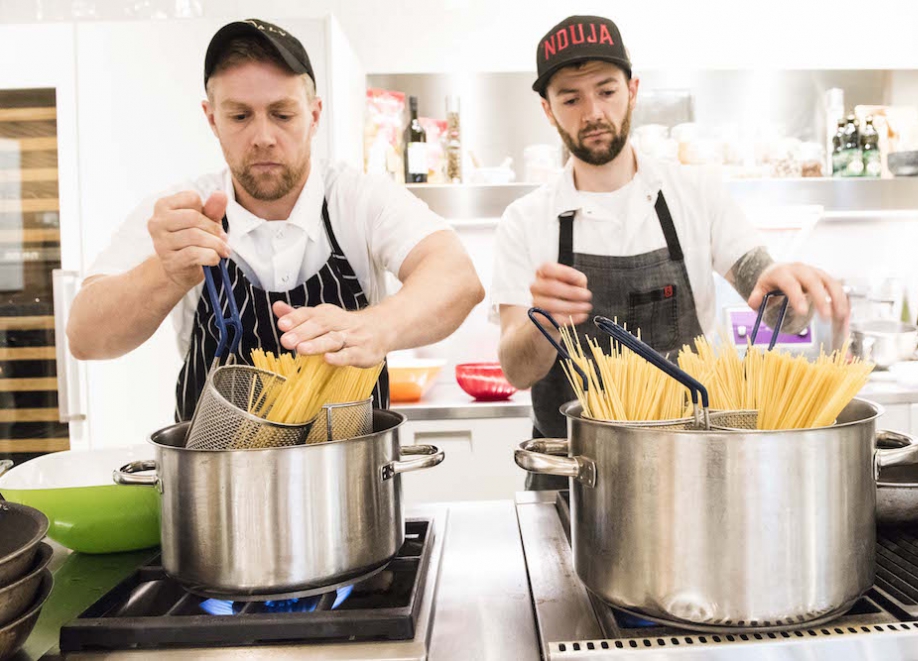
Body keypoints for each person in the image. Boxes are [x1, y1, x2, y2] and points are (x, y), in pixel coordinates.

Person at [491, 15, 849, 489]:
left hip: (693, 467)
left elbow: (771, 296)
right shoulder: (525, 220)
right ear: (547, 109)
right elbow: (517, 371)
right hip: (574, 473)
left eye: (606, 90)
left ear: (633, 91)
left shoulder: (694, 193)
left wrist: (792, 296)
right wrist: (544, 321)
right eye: (571, 98)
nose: (592, 112)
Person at [67, 18, 484, 419]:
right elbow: (85, 338)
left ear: (314, 115)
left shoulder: (358, 199)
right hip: (216, 482)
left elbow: (457, 278)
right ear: (212, 119)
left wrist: (376, 327)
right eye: (240, 116)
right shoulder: (182, 214)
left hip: (348, 480)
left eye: (282, 114)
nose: (263, 137)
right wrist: (166, 273)